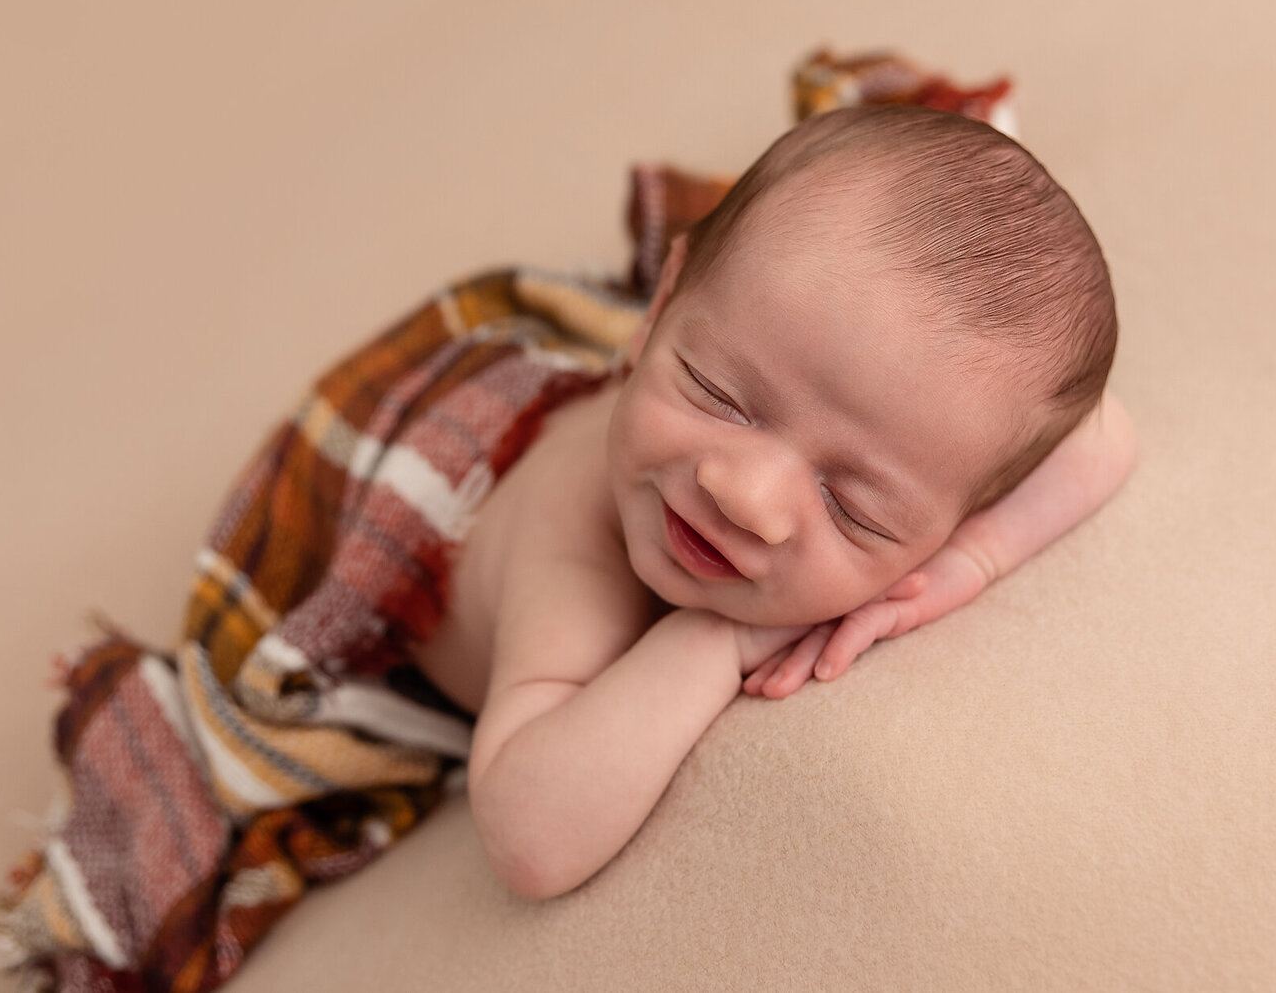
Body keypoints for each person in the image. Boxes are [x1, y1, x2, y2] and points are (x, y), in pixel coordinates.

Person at [410, 104, 1138, 900]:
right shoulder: (573, 548)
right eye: (719, 396)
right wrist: (710, 644)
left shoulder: (927, 459)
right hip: (425, 552)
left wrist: (966, 565)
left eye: (852, 508)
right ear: (656, 313)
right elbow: (529, 839)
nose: (747, 499)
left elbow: (1102, 437)